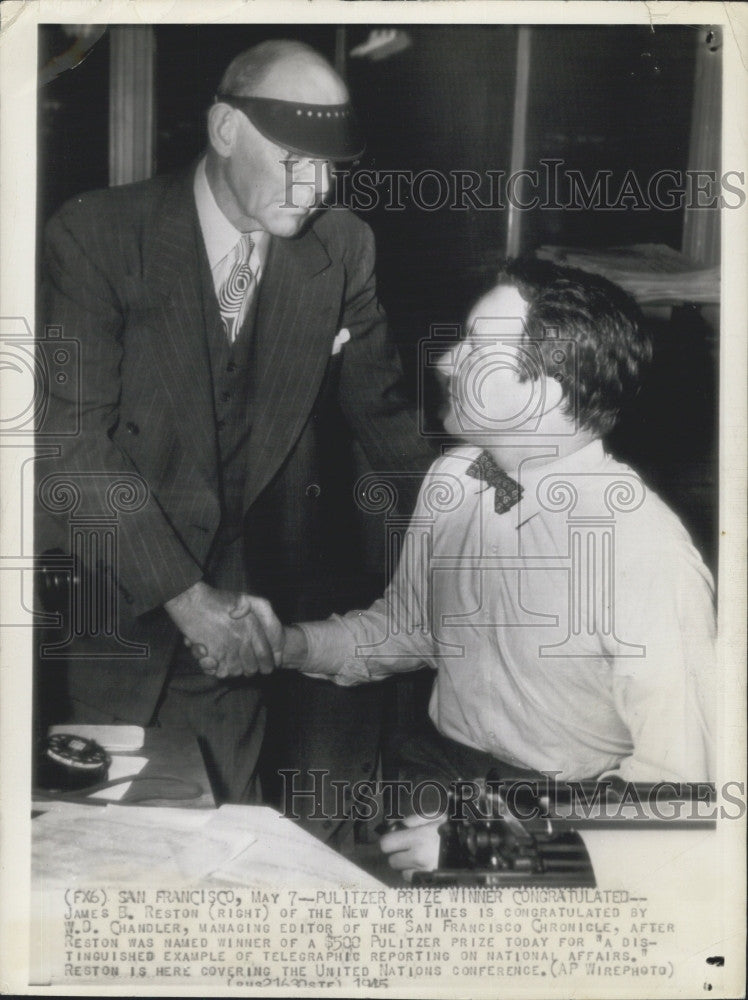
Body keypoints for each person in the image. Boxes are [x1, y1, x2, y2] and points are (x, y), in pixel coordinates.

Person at [35, 39, 433, 805]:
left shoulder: (342, 248)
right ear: (224, 130)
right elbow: (73, 445)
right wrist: (189, 600)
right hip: (110, 608)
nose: (315, 187)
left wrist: (485, 505)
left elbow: (384, 415)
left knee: (219, 840)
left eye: (331, 167)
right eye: (293, 159)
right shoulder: (98, 235)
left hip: (245, 622)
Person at [280, 259, 716, 874]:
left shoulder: (643, 551)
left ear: (546, 391)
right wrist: (290, 644)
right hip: (427, 784)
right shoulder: (455, 478)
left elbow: (678, 794)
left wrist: (495, 842)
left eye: (477, 348)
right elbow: (412, 629)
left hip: (559, 831)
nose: (445, 361)